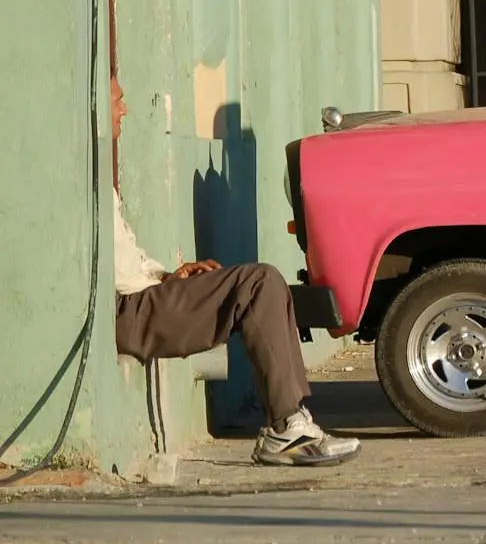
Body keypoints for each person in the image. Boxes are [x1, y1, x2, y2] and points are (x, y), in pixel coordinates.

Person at [110, 77, 360, 467]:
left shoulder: (93, 175)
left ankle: (291, 418)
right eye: (117, 101)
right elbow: (118, 276)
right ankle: (284, 426)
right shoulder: (78, 182)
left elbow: (125, 258)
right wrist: (157, 284)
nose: (123, 110)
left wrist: (166, 277)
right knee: (257, 283)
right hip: (127, 311)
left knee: (267, 282)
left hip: (139, 298)